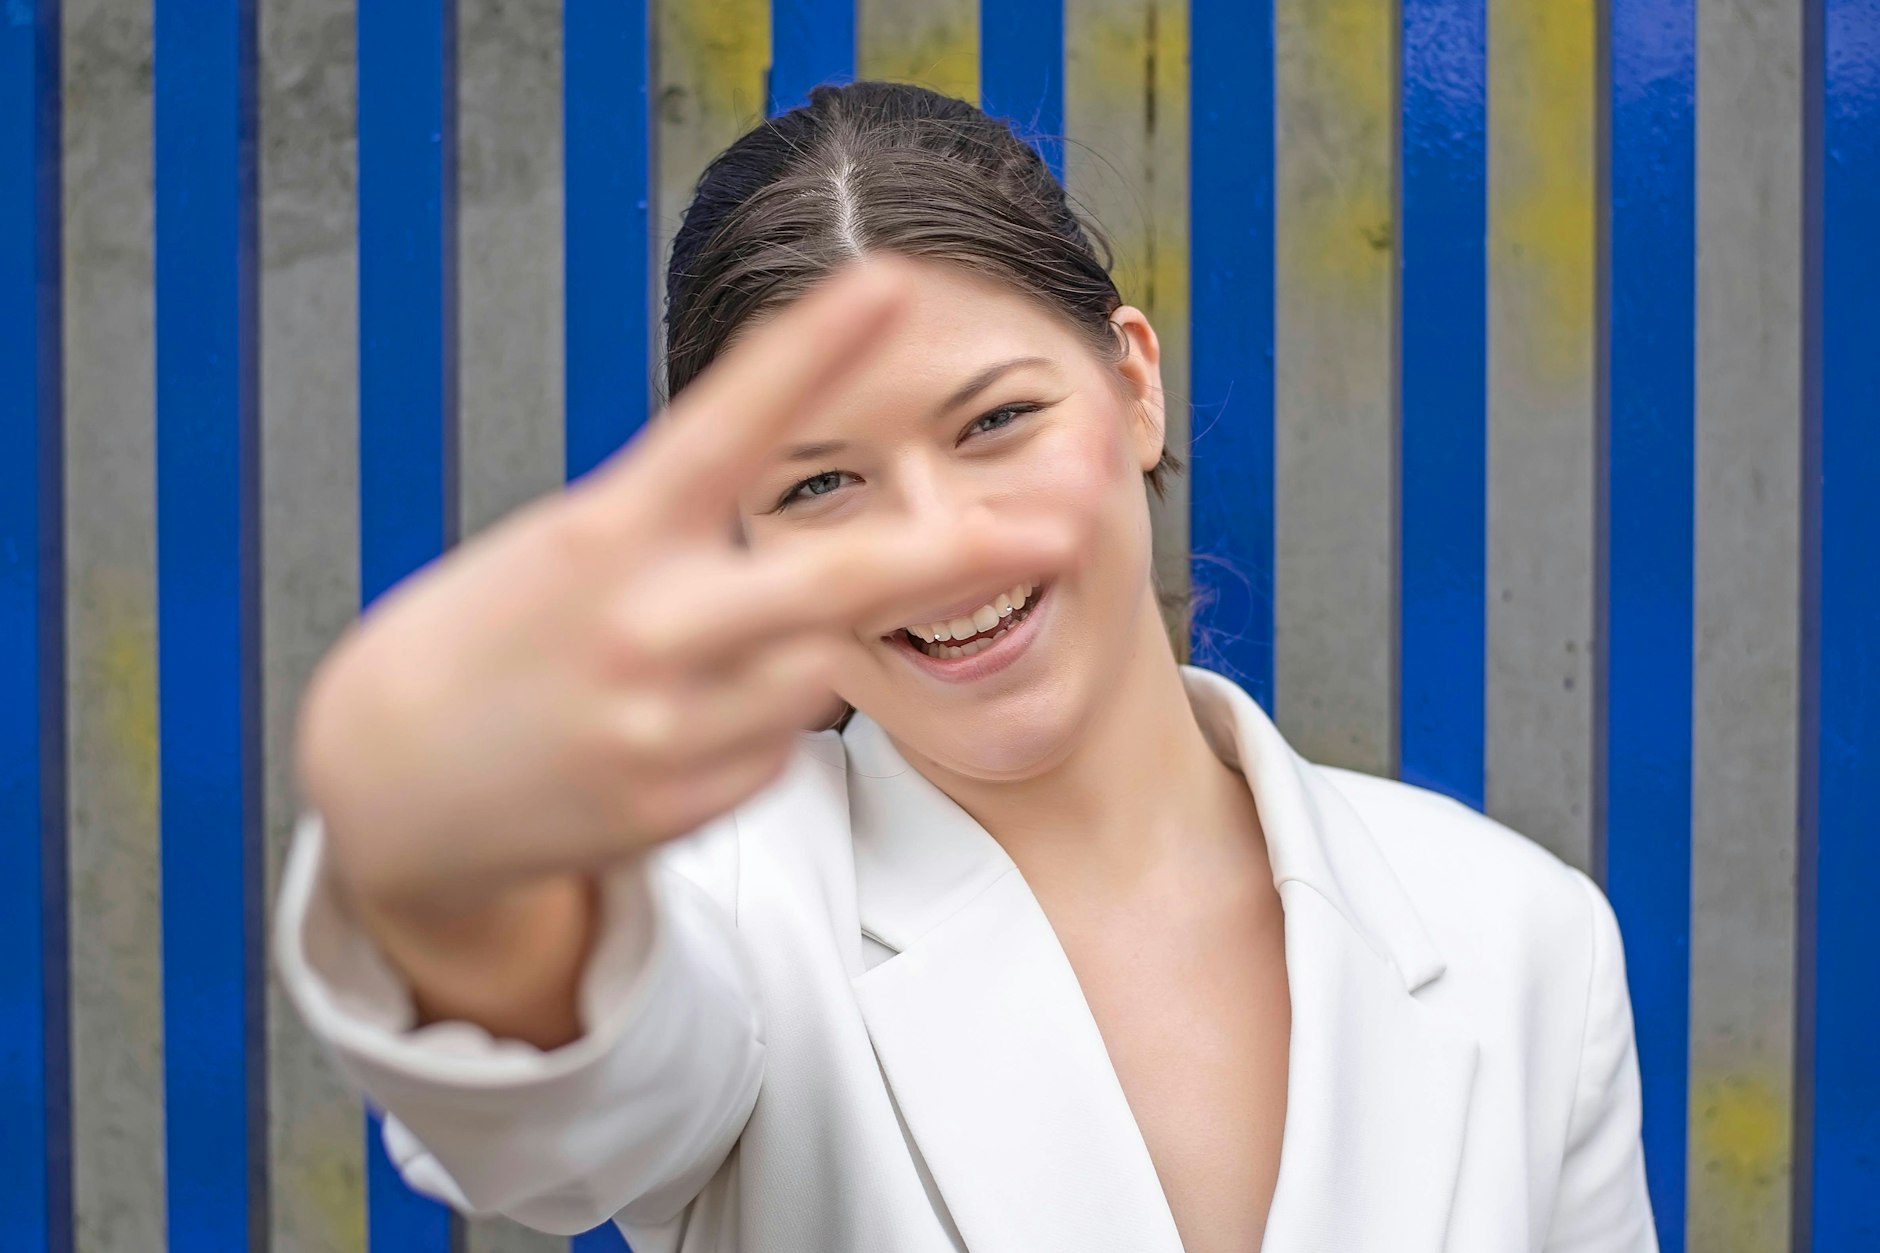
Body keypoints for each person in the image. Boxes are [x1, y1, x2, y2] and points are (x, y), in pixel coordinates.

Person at [276, 81, 1657, 1252]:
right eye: (821, 482)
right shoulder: (731, 894)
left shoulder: (1525, 937)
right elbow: (566, 1106)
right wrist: (453, 876)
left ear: (1132, 383)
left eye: (994, 418)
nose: (935, 547)